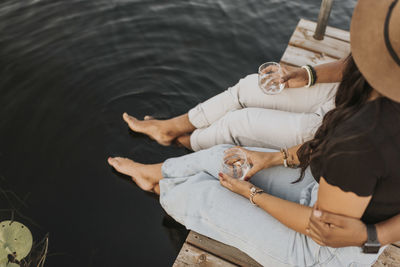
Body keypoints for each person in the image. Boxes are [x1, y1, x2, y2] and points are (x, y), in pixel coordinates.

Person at [108, 0, 400, 265]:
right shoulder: (366, 124)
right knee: (228, 158)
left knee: (195, 196)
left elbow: (322, 228)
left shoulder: (363, 137)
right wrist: (271, 159)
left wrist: (252, 194)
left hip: (322, 251)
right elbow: (327, 151)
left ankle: (167, 187)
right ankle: (155, 172)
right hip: (328, 194)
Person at [122, 59, 345, 151]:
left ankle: (185, 141)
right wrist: (306, 74)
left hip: (347, 125)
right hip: (344, 91)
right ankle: (169, 128)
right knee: (250, 86)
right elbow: (354, 64)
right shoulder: (380, 28)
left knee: (238, 123)